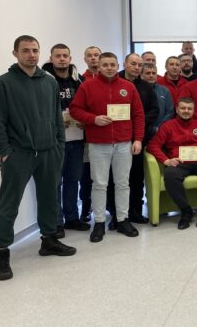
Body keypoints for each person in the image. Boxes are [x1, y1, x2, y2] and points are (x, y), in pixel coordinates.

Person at [0, 35, 76, 281]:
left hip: (49, 151)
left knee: (49, 198)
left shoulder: (49, 82)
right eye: (26, 50)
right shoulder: (3, 84)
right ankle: (2, 252)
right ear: (15, 53)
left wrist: (59, 145)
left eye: (35, 50)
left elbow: (57, 116)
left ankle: (49, 240)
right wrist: (4, 151)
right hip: (18, 154)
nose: (31, 55)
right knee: (9, 204)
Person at [70, 52, 145, 243]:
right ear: (99, 66)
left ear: (118, 65)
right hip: (98, 144)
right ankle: (99, 222)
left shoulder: (128, 87)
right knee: (99, 184)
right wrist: (93, 119)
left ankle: (123, 220)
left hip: (124, 143)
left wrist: (138, 139)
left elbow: (138, 114)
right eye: (105, 65)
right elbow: (75, 109)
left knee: (123, 183)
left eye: (112, 64)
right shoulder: (87, 86)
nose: (109, 68)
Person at [146, 98, 197, 230]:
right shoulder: (168, 126)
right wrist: (166, 160)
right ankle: (186, 211)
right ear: (177, 110)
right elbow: (153, 146)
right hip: (180, 163)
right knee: (170, 175)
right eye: (183, 108)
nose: (186, 111)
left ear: (193, 111)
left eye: (189, 109)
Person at [41, 43, 89, 234]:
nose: (62, 59)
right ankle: (56, 222)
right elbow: (39, 110)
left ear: (70, 58)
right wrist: (57, 121)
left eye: (65, 56)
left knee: (73, 180)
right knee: (54, 183)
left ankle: (72, 218)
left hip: (77, 139)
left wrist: (86, 120)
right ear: (51, 58)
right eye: (58, 55)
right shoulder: (43, 81)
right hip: (53, 141)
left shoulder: (80, 80)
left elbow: (88, 106)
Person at [114, 53, 159, 224]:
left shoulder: (146, 87)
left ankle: (136, 212)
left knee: (136, 177)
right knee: (116, 179)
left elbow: (154, 110)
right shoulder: (114, 82)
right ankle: (117, 215)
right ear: (124, 63)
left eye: (140, 65)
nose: (136, 67)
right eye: (133, 64)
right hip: (117, 138)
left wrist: (137, 122)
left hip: (139, 139)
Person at [80, 46, 102, 222]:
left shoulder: (108, 80)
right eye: (90, 55)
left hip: (109, 137)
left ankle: (108, 207)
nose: (93, 58)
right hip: (88, 137)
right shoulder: (80, 80)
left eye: (96, 55)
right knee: (87, 175)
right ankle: (86, 207)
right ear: (85, 59)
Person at [141, 63, 174, 132]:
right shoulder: (136, 89)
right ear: (141, 75)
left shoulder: (165, 90)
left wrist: (159, 128)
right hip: (142, 129)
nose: (151, 75)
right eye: (148, 73)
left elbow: (170, 112)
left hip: (161, 130)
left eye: (154, 73)